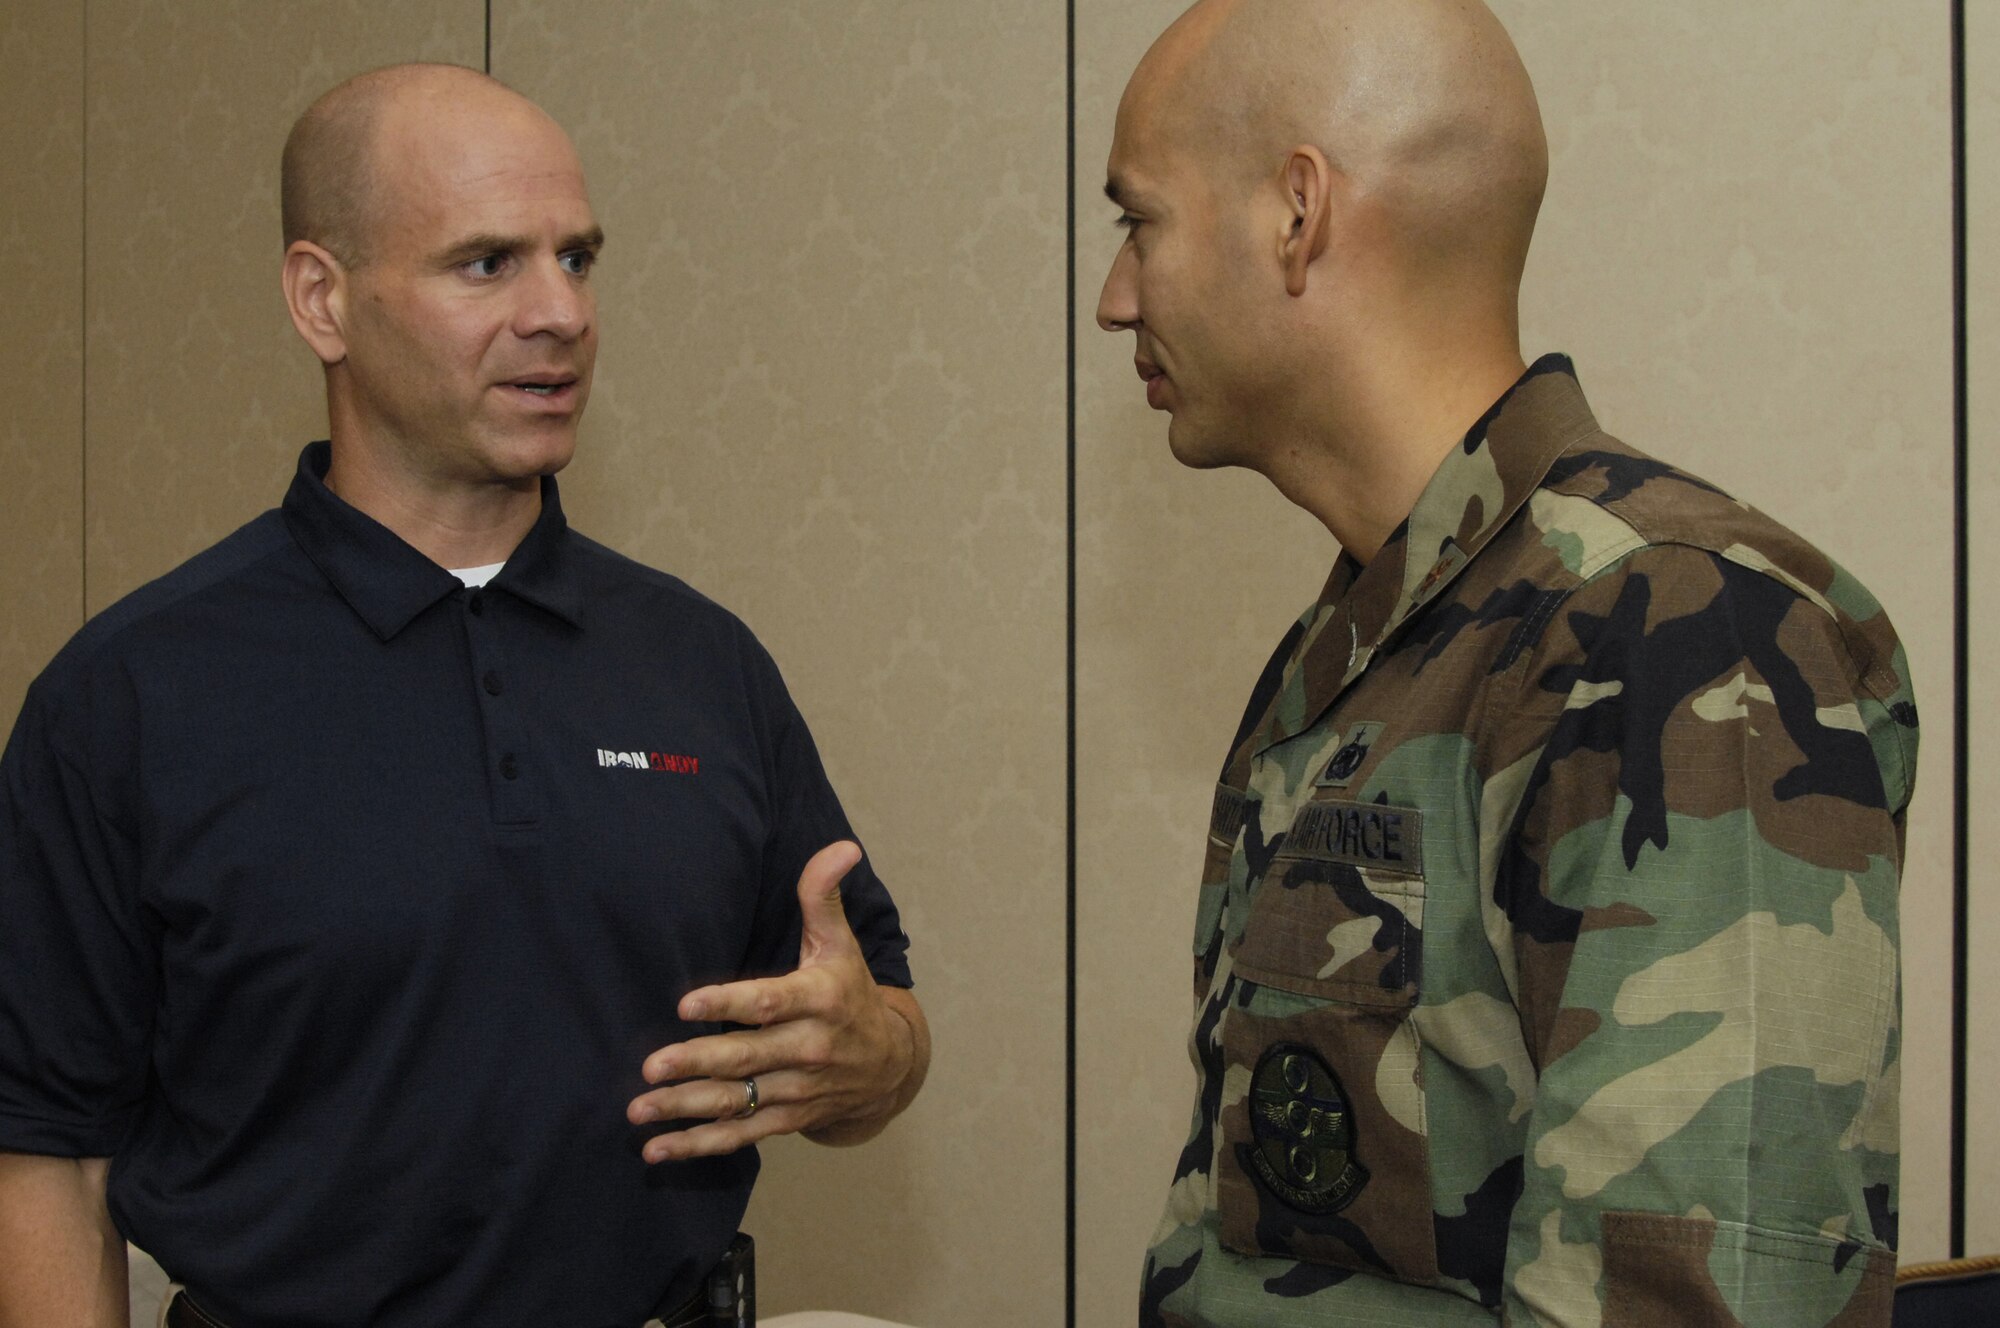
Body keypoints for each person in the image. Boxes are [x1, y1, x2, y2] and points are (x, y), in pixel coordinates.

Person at [0, 63, 929, 1328]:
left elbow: (872, 1022)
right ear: (321, 299)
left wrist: (878, 1056)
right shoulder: (127, 696)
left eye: (578, 258)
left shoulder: (702, 662)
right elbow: (48, 1152)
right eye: (486, 263)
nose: (559, 312)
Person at [1096, 2, 1914, 1324]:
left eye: (1137, 219)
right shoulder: (1356, 654)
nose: (1113, 296)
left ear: (1296, 213)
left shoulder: (1687, 637)